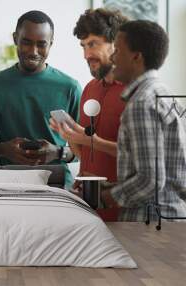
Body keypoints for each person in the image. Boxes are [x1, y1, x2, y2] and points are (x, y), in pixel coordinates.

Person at [0, 10, 82, 188]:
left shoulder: (70, 87)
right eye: (26, 42)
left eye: (41, 44)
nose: (33, 51)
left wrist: (57, 152)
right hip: (8, 185)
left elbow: (86, 150)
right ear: (15, 39)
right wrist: (5, 150)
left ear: (51, 44)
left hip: (56, 185)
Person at [101, 20, 186, 221]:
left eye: (117, 51)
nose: (112, 58)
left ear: (136, 56)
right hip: (172, 218)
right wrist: (115, 186)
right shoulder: (164, 94)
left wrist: (105, 197)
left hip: (149, 225)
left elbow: (151, 180)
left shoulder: (141, 104)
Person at [49, 9, 128, 219]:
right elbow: (87, 154)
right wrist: (71, 135)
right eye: (83, 46)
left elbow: (145, 159)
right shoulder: (90, 89)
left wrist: (93, 140)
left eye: (93, 44)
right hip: (89, 209)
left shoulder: (138, 92)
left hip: (126, 214)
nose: (86, 55)